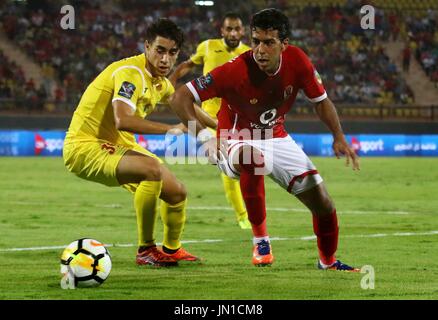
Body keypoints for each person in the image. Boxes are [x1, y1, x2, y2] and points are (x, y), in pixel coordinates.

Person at [170, 8, 361, 271]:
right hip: (235, 138)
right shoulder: (235, 70)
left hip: (276, 136)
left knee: (324, 203)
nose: (260, 49)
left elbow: (321, 101)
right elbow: (179, 97)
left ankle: (328, 262)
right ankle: (261, 241)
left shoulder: (298, 61)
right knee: (252, 158)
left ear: (284, 44)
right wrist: (205, 137)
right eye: (256, 41)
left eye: (269, 43)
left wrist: (338, 136)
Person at [63, 18, 207, 267]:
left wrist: (222, 128)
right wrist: (171, 129)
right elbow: (123, 120)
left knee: (176, 192)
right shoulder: (130, 74)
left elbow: (185, 106)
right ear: (147, 46)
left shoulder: (160, 82)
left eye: (172, 53)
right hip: (85, 145)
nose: (165, 59)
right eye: (160, 50)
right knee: (151, 169)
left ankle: (172, 249)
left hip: (117, 145)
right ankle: (146, 249)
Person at [169, 12, 252, 230]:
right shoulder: (207, 46)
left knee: (248, 165)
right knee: (228, 166)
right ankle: (243, 216)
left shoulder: (250, 53)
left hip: (239, 118)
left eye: (237, 29)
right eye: (229, 29)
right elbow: (189, 64)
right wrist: (173, 79)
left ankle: (248, 212)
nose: (233, 33)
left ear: (242, 31)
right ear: (222, 31)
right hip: (212, 117)